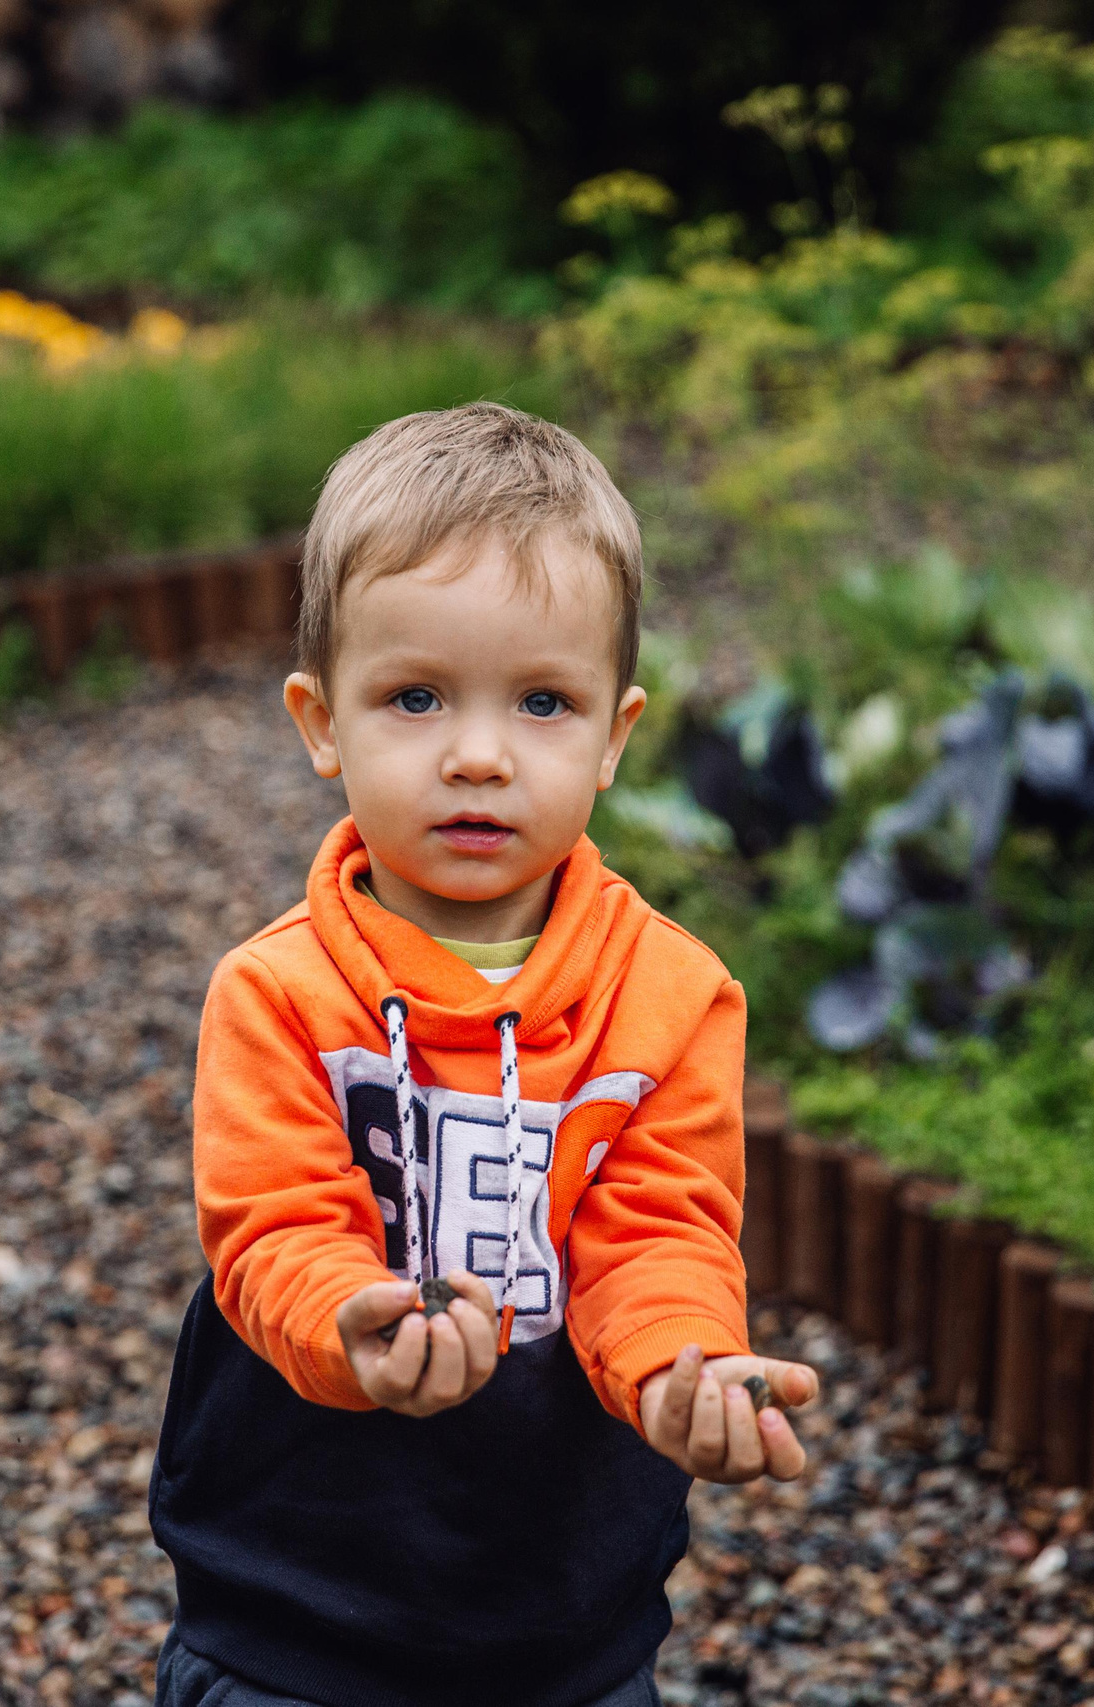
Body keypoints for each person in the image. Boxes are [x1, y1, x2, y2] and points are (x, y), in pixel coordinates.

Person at [148, 401, 819, 1707]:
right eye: (414, 696)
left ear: (617, 736)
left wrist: (684, 1367)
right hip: (299, 1599)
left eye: (542, 703)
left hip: (559, 1606)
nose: (475, 753)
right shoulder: (279, 993)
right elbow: (272, 1227)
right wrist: (352, 1320)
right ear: (320, 721)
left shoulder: (672, 998)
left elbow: (660, 1234)